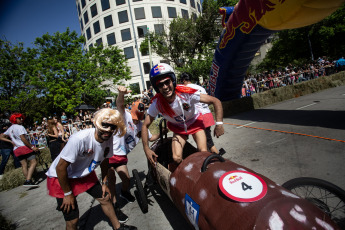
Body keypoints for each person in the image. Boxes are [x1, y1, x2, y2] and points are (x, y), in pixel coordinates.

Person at [45, 108, 137, 230]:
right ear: (98, 123)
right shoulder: (79, 139)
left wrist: (104, 183)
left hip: (84, 174)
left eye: (112, 127)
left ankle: (118, 227)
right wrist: (67, 194)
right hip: (62, 177)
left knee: (105, 198)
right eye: (105, 125)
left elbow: (105, 160)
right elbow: (60, 168)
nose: (108, 129)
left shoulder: (108, 138)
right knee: (73, 219)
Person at [142, 63, 224, 171]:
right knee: (176, 158)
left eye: (167, 82)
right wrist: (146, 149)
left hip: (195, 122)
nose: (165, 87)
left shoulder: (186, 93)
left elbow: (215, 101)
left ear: (173, 81)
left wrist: (219, 124)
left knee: (203, 152)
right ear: (157, 88)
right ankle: (190, 173)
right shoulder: (157, 103)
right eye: (161, 85)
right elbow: (145, 125)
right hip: (179, 128)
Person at [107, 86, 161, 222]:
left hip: (121, 155)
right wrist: (121, 93)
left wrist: (164, 131)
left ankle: (124, 192)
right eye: (135, 117)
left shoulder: (140, 125)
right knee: (111, 181)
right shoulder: (124, 116)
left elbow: (150, 137)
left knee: (126, 179)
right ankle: (115, 207)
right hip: (108, 154)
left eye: (139, 118)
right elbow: (119, 104)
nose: (136, 120)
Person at [180, 72, 219, 154]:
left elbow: (186, 106)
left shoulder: (185, 89)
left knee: (207, 145)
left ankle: (220, 161)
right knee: (206, 142)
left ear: (183, 80)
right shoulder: (200, 87)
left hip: (199, 117)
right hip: (207, 114)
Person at [0, 113, 39, 187]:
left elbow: (1, 136)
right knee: (33, 162)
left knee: (24, 165)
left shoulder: (10, 128)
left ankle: (28, 180)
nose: (21, 119)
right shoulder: (20, 127)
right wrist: (32, 147)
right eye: (19, 118)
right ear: (15, 119)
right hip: (23, 147)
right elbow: (23, 138)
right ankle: (28, 180)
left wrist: (11, 141)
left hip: (16, 149)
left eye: (21, 118)